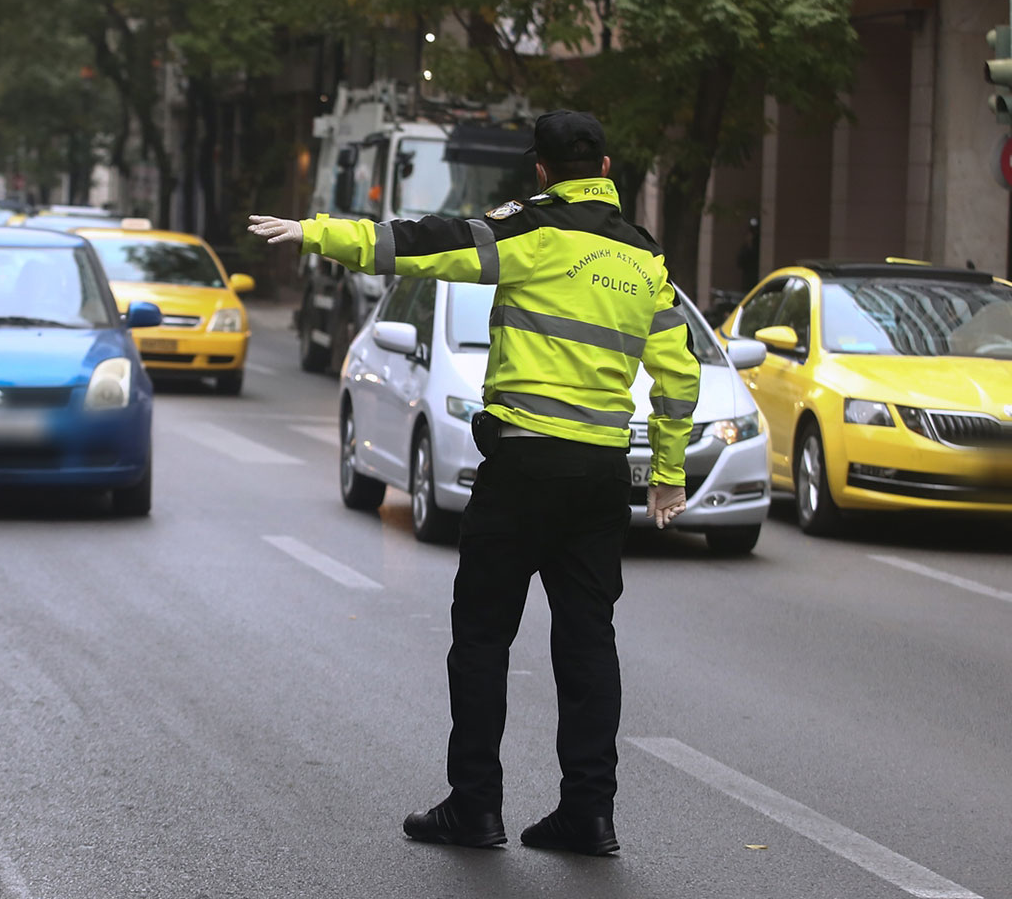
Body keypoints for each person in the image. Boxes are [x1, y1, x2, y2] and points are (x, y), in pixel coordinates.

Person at [247, 110, 700, 857]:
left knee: (484, 636)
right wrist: (668, 475)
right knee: (589, 645)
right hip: (596, 479)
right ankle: (589, 815)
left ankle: (475, 807)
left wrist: (317, 233)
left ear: (542, 172)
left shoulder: (529, 231)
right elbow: (679, 375)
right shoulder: (646, 261)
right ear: (609, 169)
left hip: (521, 468)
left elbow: (427, 243)